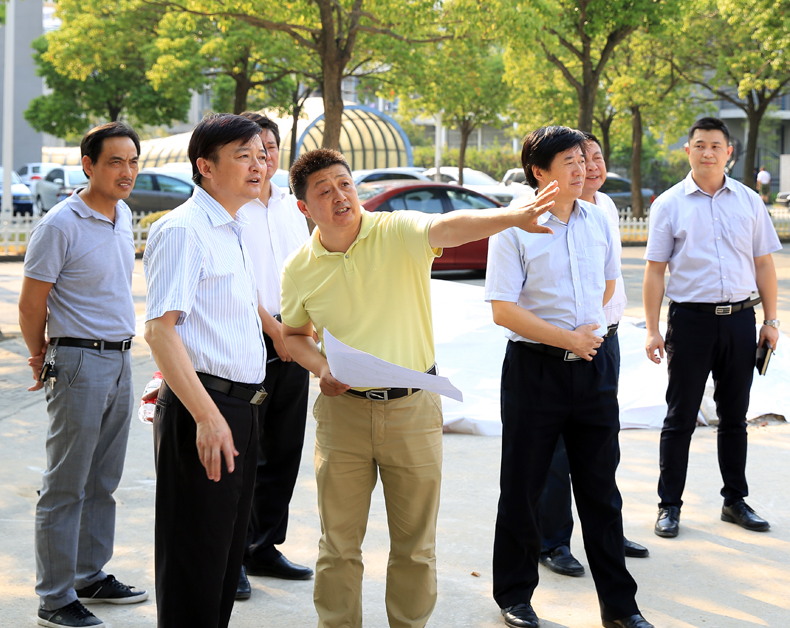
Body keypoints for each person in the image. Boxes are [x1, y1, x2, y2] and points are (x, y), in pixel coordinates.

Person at [279, 148, 557, 628]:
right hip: (342, 415)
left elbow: (450, 226)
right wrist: (321, 367)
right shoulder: (298, 267)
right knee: (338, 545)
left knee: (414, 546)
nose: (340, 196)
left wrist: (511, 217)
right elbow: (293, 334)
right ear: (305, 207)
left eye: (345, 184)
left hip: (412, 410)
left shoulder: (396, 230)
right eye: (324, 191)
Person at [486, 126, 652, 628]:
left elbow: (608, 283)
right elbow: (503, 310)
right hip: (534, 371)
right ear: (539, 172)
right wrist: (567, 338)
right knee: (524, 487)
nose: (583, 169)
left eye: (584, 159)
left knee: (602, 491)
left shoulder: (598, 218)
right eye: (570, 162)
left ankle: (620, 608)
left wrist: (585, 335)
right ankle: (515, 596)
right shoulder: (513, 226)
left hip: (593, 367)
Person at [20, 121, 148, 628]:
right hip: (76, 360)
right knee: (65, 484)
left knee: (102, 480)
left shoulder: (122, 214)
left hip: (120, 358)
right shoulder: (60, 224)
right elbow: (31, 305)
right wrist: (39, 356)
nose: (127, 171)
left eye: (133, 161)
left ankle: (88, 575)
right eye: (115, 161)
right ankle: (54, 598)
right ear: (88, 165)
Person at [143, 113, 268, 628]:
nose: (259, 166)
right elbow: (160, 331)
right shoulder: (184, 230)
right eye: (243, 156)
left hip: (240, 409)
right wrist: (207, 416)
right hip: (206, 410)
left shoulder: (232, 228)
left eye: (261, 155)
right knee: (194, 564)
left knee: (222, 561)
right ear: (206, 167)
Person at [644, 117, 781, 539]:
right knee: (680, 416)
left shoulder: (749, 201)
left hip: (740, 321)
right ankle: (669, 506)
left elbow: (763, 264)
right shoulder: (669, 204)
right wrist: (652, 329)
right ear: (688, 151)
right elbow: (654, 271)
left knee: (735, 417)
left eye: (715, 146)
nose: (708, 152)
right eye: (700, 145)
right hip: (690, 322)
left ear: (729, 152)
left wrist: (771, 321)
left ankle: (734, 501)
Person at [536, 133, 649, 580]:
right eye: (579, 159)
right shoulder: (546, 217)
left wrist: (599, 329)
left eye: (596, 157)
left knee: (603, 445)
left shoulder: (605, 209)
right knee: (558, 451)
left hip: (606, 340)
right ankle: (553, 540)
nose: (591, 166)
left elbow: (609, 280)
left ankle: (606, 533)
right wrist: (577, 333)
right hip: (563, 345)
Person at [236, 111, 313, 599]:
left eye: (270, 148)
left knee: (284, 449)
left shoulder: (290, 206)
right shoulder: (232, 207)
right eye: (253, 149)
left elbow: (308, 270)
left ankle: (263, 546)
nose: (263, 157)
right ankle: (233, 555)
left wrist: (304, 330)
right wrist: (275, 330)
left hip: (295, 335)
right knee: (245, 452)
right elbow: (238, 282)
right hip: (250, 336)